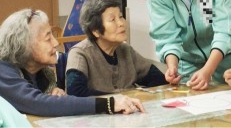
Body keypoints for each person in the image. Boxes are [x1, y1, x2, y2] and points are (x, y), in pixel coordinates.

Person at [0, 9, 144, 117]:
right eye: (48, 38)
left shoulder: (42, 74)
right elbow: (37, 103)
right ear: (24, 45)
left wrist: (54, 95)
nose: (56, 43)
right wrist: (109, 104)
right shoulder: (3, 70)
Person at [66, 0, 167, 97]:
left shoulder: (125, 49)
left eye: (121, 16)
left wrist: (170, 76)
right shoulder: (80, 53)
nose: (121, 23)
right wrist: (121, 98)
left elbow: (158, 79)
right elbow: (75, 93)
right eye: (112, 19)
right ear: (96, 31)